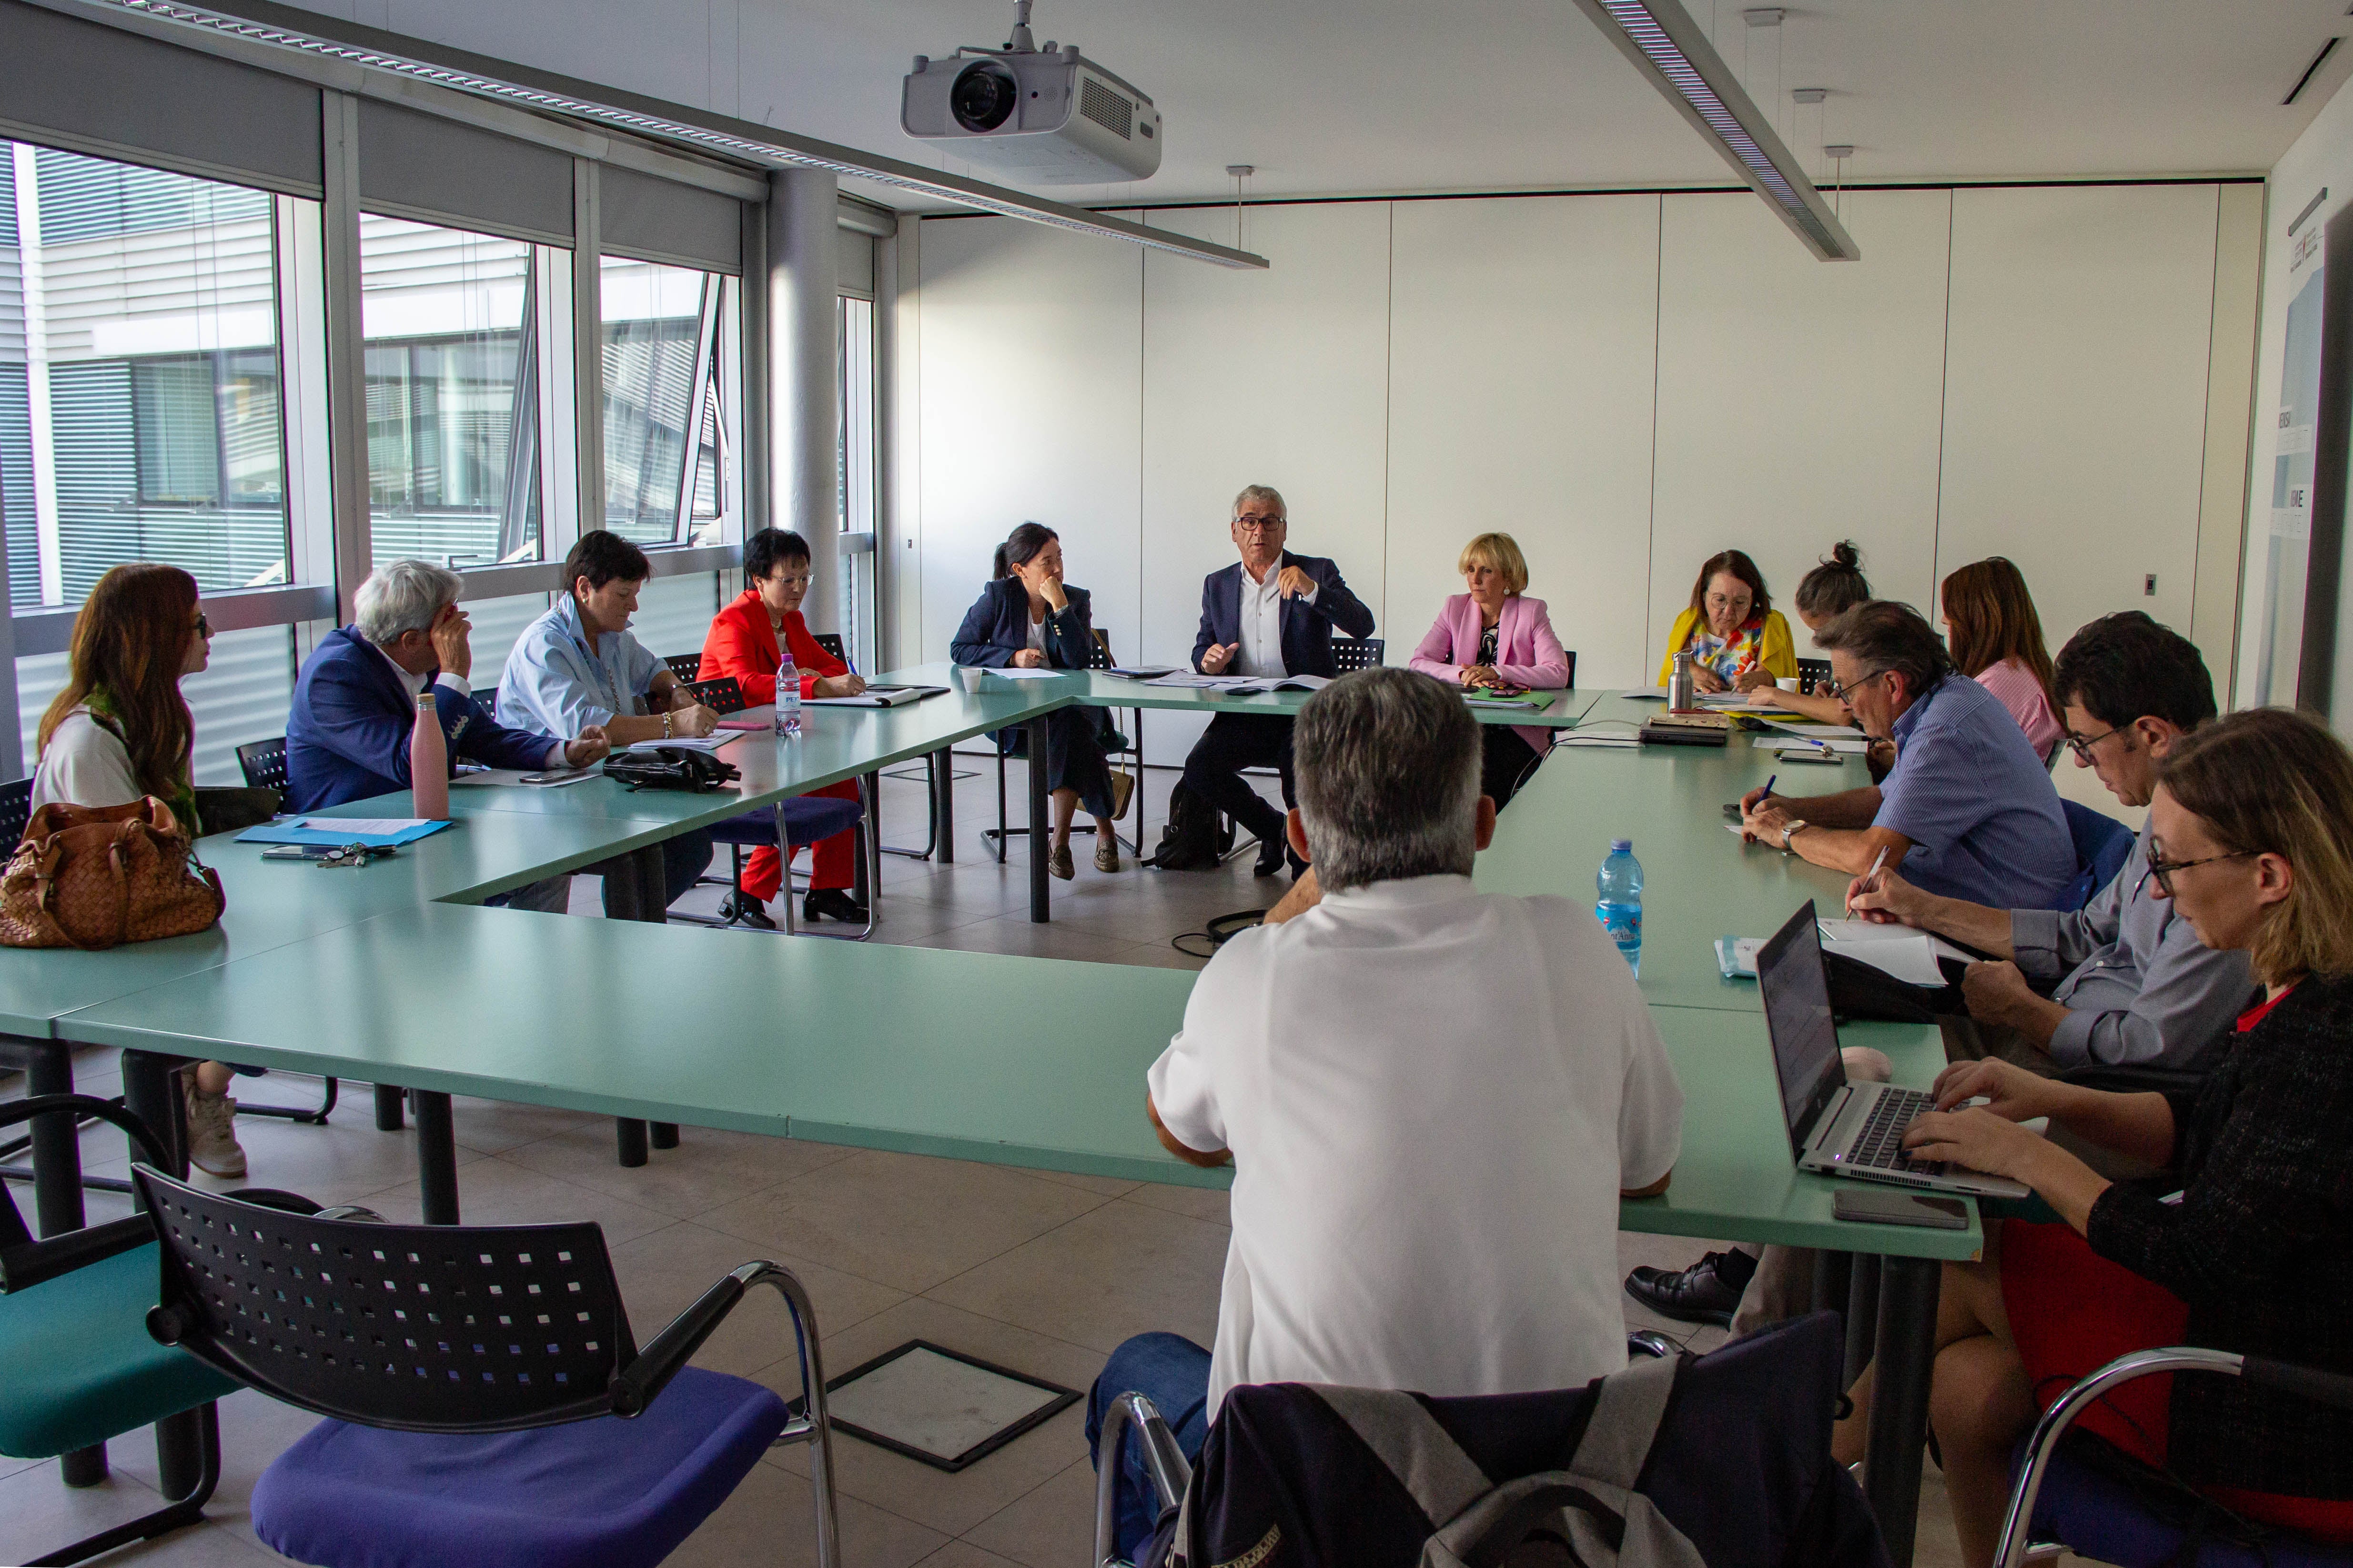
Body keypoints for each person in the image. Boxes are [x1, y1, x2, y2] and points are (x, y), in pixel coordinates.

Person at [1087, 668, 1683, 1560]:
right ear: (1483, 823)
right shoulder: (1576, 946)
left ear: (1298, 836)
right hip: (1548, 1509)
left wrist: (1287, 911)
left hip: (1314, 1504)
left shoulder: (1250, 977)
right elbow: (1649, 1169)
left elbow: (1178, 1126)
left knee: (1131, 1373)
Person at [1629, 612, 2249, 1330]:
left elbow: (2149, 1052)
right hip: (2050, 1027)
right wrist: (1925, 906)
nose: (2077, 764)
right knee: (1854, 1066)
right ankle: (1761, 1298)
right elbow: (2085, 932)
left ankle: (1757, 1341)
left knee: (1862, 1100)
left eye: (2083, 741)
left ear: (2150, 734)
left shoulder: (2218, 867)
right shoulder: (2169, 824)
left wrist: (2021, 1011)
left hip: (2093, 1087)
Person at [1837, 707, 2353, 1567]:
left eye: (2172, 862)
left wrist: (2025, 1152)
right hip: (2264, 1345)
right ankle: (1786, 1478)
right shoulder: (2303, 997)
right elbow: (2207, 1130)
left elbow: (2199, 1255)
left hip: (2288, 1419)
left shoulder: (2325, 1039)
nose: (2155, 888)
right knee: (1962, 1393)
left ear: (2267, 875)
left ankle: (1767, 1486)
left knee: (1966, 1255)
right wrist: (2055, 1099)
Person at [30, 563, 251, 1177]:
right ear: (154, 638)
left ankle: (199, 1087)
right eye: (197, 624)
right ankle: (190, 1092)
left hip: (151, 919)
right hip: (100, 942)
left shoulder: (152, 721)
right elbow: (125, 876)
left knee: (314, 952)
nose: (210, 635)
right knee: (268, 966)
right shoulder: (91, 740)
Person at [1740, 600, 2075, 910]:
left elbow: (1872, 857)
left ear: (1892, 684)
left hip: (2002, 927)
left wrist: (1788, 832)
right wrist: (1794, 808)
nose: (1843, 704)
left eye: (1845, 688)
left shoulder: (1945, 731)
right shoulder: (1945, 698)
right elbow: (1886, 799)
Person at [498, 531, 717, 912]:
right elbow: (593, 727)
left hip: (603, 782)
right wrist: (675, 724)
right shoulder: (544, 646)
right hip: (541, 796)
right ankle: (624, 935)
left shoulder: (611, 634)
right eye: (623, 595)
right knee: (639, 854)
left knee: (690, 845)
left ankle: (629, 928)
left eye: (635, 595)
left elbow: (653, 669)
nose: (633, 606)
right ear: (584, 588)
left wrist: (678, 690)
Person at [1182, 484, 1376, 876]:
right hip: (1246, 711)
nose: (1259, 531)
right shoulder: (1217, 584)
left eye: (1269, 522)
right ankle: (1274, 830)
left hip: (1305, 713)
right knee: (1200, 769)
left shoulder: (1316, 570)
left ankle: (1305, 871)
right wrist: (1208, 661)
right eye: (1249, 522)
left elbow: (1362, 625)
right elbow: (1203, 645)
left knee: (1297, 771)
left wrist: (1313, 591)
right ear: (1234, 531)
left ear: (1284, 530)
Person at [698, 528, 868, 925]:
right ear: (759, 580)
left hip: (781, 732)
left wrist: (814, 676)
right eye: (787, 580)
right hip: (735, 738)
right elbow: (743, 685)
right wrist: (813, 682)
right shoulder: (733, 621)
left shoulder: (790, 620)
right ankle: (747, 893)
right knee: (803, 791)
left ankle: (826, 889)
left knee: (842, 782)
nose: (798, 589)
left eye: (805, 578)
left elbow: (832, 666)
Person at [951, 523, 1125, 877]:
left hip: (1074, 710)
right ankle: (1104, 831)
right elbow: (960, 648)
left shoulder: (1075, 599)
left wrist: (1060, 608)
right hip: (1018, 716)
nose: (1057, 569)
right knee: (1078, 739)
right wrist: (1011, 657)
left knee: (1071, 726)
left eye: (1060, 558)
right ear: (1020, 570)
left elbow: (1078, 660)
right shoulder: (998, 598)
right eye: (1047, 562)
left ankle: (1058, 841)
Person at [1407, 530, 1570, 811]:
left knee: (1479, 778)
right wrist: (1459, 674)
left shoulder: (1532, 612)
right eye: (1470, 570)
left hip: (1515, 733)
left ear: (1508, 577)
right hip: (1464, 727)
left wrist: (1499, 672)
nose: (1475, 579)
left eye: (1486, 571)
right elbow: (1419, 663)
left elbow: (1557, 672)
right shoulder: (1454, 608)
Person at [1943, 556, 2063, 763]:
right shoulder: (2024, 672)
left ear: (1972, 625)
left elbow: (1943, 763)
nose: (1949, 635)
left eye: (1950, 625)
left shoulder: (1995, 685)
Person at [1743, 541, 1871, 725]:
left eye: (1822, 630)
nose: (1817, 638)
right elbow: (1842, 704)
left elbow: (1845, 714)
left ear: (1851, 612)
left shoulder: (1865, 650)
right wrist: (1826, 699)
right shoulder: (1846, 644)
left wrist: (1777, 696)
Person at [1655, 549, 1796, 694]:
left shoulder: (1769, 624)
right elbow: (1675, 668)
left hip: (1748, 714)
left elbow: (1777, 676)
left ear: (1753, 599)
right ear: (1704, 595)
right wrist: (1690, 672)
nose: (1729, 611)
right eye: (1720, 600)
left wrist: (1762, 679)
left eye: (1740, 602)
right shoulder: (1689, 621)